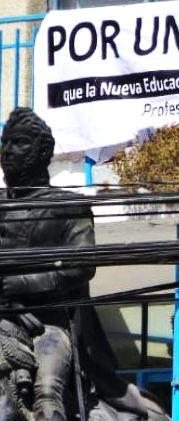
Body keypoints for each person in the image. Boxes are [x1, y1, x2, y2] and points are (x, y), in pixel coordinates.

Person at [0, 107, 168, 421]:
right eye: (5, 143)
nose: (8, 151)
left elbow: (80, 266)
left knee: (47, 390)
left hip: (51, 325)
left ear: (42, 153)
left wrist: (17, 283)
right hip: (3, 321)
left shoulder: (68, 207)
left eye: (19, 143)